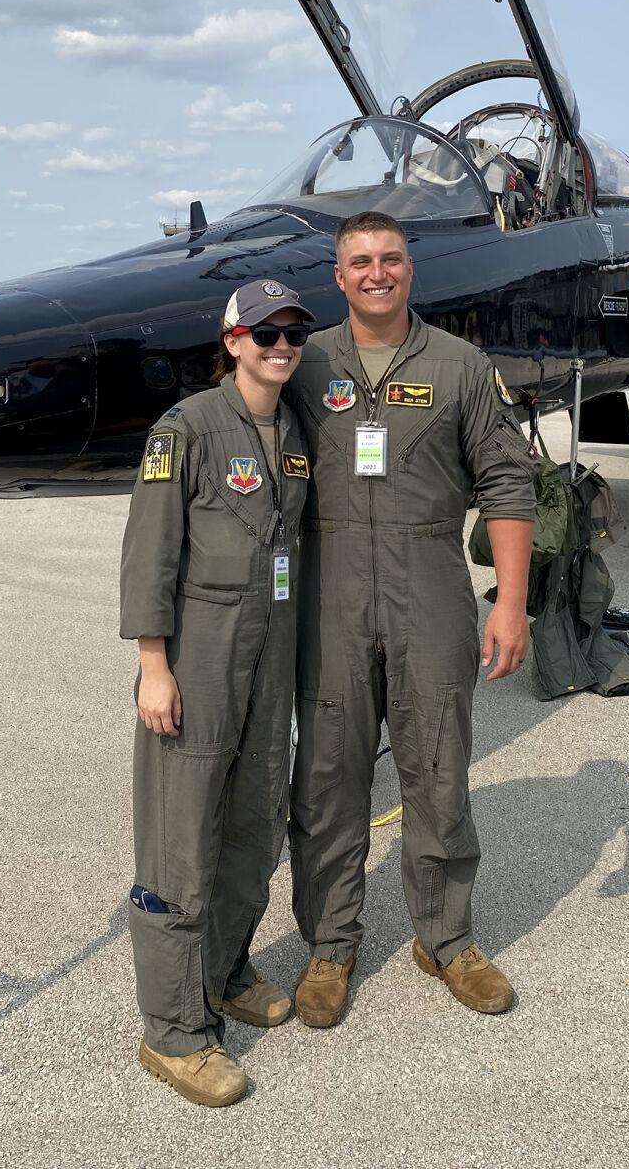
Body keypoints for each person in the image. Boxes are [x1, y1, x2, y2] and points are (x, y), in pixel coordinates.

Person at [286, 211, 536, 1028]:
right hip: (328, 587)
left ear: (411, 270)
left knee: (437, 764)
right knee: (329, 773)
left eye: (390, 258)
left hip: (430, 581)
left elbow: (506, 483)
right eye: (360, 261)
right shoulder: (302, 362)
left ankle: (445, 936)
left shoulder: (462, 367)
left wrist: (511, 603)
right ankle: (329, 944)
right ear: (338, 275)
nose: (376, 273)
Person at [120, 278, 315, 1107]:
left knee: (252, 821)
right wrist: (153, 665)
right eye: (264, 332)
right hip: (199, 652)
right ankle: (172, 1031)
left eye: (293, 334)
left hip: (268, 654)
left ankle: (226, 969)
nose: (280, 346)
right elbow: (149, 555)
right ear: (232, 340)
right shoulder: (187, 430)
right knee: (181, 840)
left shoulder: (296, 430)